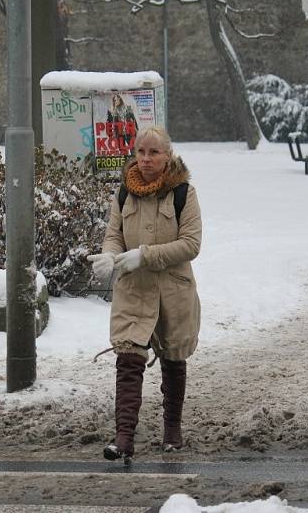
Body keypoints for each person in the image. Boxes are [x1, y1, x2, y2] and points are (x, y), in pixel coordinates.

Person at [87, 125, 202, 463]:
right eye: (141, 152)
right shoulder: (124, 192)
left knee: (173, 359)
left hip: (172, 291)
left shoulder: (183, 193)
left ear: (168, 156)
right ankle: (124, 438)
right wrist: (110, 254)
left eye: (155, 152)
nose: (147, 159)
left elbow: (191, 244)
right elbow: (114, 234)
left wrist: (145, 255)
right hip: (134, 291)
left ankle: (172, 430)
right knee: (128, 361)